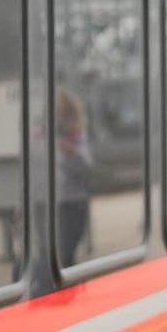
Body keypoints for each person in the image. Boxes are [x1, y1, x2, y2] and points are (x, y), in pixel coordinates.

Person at [54, 86, 93, 269]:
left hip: (73, 203)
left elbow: (86, 166)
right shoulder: (41, 136)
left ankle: (71, 291)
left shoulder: (76, 136)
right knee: (55, 255)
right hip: (50, 205)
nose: (58, 118)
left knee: (66, 253)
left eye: (61, 112)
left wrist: (72, 153)